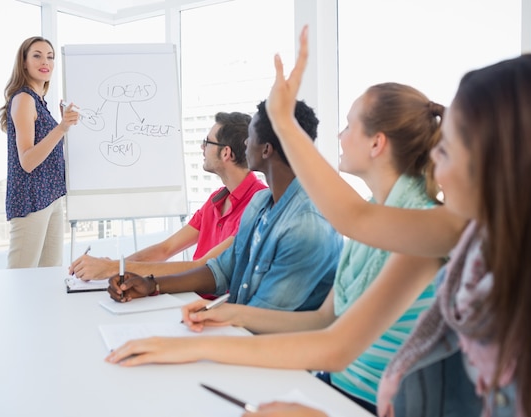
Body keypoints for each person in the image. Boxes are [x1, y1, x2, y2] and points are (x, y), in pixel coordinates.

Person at [108, 26, 531, 417]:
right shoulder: (456, 231)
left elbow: (350, 231)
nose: (437, 164)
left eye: (448, 149)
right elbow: (340, 314)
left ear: (502, 164)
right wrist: (190, 346)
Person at [134, 81, 444, 416]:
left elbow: (334, 346)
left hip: (369, 403)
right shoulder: (376, 216)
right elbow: (325, 319)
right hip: (334, 387)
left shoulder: (416, 231)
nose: (339, 136)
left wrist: (193, 348)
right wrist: (230, 313)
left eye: (348, 125)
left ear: (376, 143)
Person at [107, 99, 342, 311]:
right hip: (239, 327)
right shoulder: (262, 204)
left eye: (250, 136)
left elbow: (264, 315)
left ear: (266, 149)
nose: (245, 143)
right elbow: (221, 269)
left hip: (267, 345)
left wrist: (210, 316)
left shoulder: (306, 226)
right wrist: (152, 285)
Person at [68, 111, 267, 280]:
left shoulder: (259, 205)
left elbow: (205, 267)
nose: (202, 147)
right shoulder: (217, 199)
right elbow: (166, 248)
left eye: (207, 142)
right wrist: (115, 267)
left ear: (226, 153)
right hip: (192, 296)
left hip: (212, 308)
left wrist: (115, 269)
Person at [0, 36, 79, 269]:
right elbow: (27, 161)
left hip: (51, 198)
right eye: (37, 55)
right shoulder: (24, 99)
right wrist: (62, 127)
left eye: (50, 57)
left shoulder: (39, 102)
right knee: (21, 278)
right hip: (31, 200)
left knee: (49, 275)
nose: (45, 61)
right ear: (23, 62)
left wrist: (62, 124)